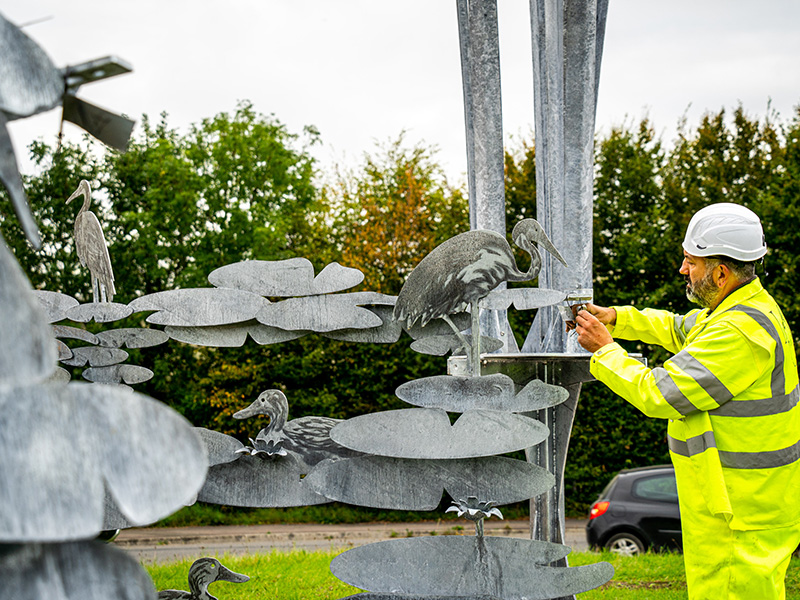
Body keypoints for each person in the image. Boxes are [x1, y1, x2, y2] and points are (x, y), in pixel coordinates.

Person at [575, 202, 800, 599]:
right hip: (741, 504)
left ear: (721, 273)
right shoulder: (737, 309)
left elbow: (659, 393)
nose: (683, 270)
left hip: (739, 515)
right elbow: (678, 327)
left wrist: (604, 350)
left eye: (690, 262)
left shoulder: (738, 333)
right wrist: (617, 317)